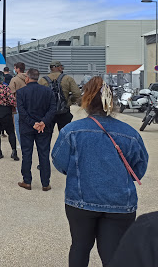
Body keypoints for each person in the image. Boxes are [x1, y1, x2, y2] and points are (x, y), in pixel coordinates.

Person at [52, 76, 148, 267]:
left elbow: (60, 163)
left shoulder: (71, 131)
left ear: (86, 100)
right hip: (119, 202)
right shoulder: (130, 133)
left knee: (80, 247)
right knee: (114, 254)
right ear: (111, 102)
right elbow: (139, 167)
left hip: (80, 200)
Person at [16, 68, 56, 191]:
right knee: (44, 155)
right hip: (44, 128)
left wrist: (32, 123)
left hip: (27, 128)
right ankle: (45, 183)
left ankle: (27, 181)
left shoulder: (21, 92)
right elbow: (52, 109)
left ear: (27, 78)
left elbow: (21, 111)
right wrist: (43, 122)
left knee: (26, 154)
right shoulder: (48, 91)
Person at [38, 60, 81, 133]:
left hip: (48, 112)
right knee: (65, 134)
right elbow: (77, 94)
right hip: (64, 111)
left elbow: (38, 96)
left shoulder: (42, 80)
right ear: (59, 67)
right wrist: (70, 100)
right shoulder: (68, 78)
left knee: (46, 136)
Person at [9, 62, 27, 147]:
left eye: (15, 68)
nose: (14, 69)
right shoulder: (29, 78)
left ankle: (21, 143)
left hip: (18, 104)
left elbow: (10, 93)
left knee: (17, 124)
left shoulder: (14, 79)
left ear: (18, 69)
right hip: (29, 104)